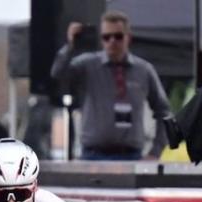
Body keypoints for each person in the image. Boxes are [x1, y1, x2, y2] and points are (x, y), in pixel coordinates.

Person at [51, 11, 171, 160]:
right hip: (93, 154)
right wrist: (69, 46)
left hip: (131, 155)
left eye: (118, 37)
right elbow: (58, 76)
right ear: (101, 40)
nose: (112, 41)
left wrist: (156, 151)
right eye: (106, 37)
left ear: (128, 38)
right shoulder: (86, 65)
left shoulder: (144, 70)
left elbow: (164, 111)